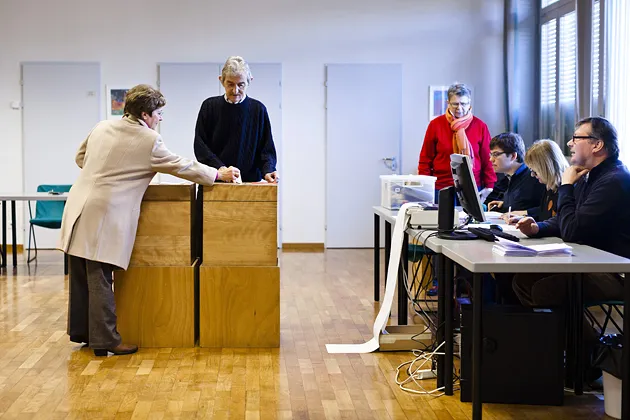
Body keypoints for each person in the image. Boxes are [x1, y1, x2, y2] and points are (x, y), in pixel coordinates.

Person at [58, 84, 239, 357]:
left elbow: (80, 158)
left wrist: (107, 172)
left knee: (81, 273)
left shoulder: (102, 127)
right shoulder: (148, 140)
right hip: (104, 213)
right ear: (145, 114)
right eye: (159, 113)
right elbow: (182, 166)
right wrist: (217, 175)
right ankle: (106, 340)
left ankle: (84, 333)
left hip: (77, 206)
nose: (161, 118)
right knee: (100, 276)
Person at [513, 117, 630, 384]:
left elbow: (573, 230)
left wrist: (566, 187)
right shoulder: (591, 177)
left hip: (617, 273)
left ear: (597, 144)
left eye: (576, 138)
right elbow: (567, 220)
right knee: (522, 280)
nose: (570, 143)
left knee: (545, 290)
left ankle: (590, 356)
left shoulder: (613, 180)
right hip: (590, 263)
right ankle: (581, 353)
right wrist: (537, 228)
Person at [194, 56, 278, 183]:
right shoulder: (209, 106)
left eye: (241, 85)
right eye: (230, 84)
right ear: (221, 81)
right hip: (216, 182)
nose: (235, 90)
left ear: (250, 81)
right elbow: (201, 146)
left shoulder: (258, 109)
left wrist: (268, 170)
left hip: (250, 184)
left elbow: (266, 149)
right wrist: (221, 170)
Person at [418, 83, 495, 202]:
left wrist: (489, 186)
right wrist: (425, 186)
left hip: (472, 185)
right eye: (455, 104)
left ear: (469, 104)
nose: (459, 108)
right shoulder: (435, 125)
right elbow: (425, 159)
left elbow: (488, 158)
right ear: (448, 103)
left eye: (463, 104)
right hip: (442, 186)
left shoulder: (480, 126)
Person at [505, 139, 569, 224]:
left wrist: (536, 227)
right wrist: (523, 218)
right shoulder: (549, 187)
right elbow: (544, 216)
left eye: (535, 171)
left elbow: (558, 223)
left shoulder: (566, 189)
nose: (532, 175)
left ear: (546, 168)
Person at [484, 132, 546, 218]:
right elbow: (520, 204)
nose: (491, 159)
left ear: (513, 156)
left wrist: (526, 212)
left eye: (496, 154)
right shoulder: (507, 177)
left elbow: (550, 210)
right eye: (491, 154)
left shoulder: (535, 177)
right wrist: (504, 205)